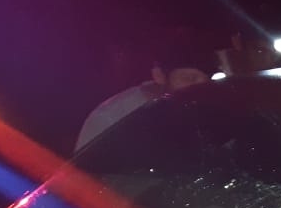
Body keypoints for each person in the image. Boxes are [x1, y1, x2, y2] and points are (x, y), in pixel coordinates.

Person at [75, 39, 211, 154]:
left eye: (208, 80)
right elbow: (82, 177)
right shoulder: (110, 117)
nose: (202, 88)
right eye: (189, 78)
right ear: (159, 75)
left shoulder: (207, 107)